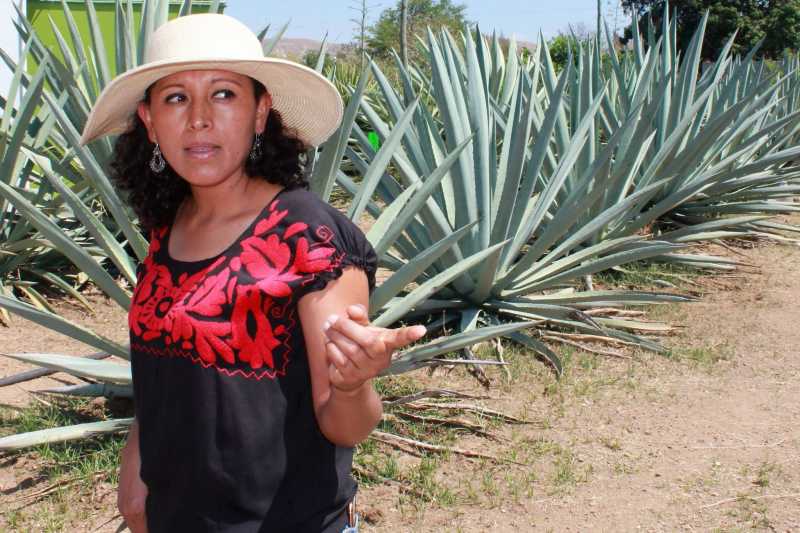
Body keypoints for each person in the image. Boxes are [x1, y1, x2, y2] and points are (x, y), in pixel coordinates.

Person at [80, 13, 426, 533]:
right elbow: (167, 365)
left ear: (261, 112)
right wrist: (136, 463)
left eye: (223, 94)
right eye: (175, 98)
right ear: (150, 120)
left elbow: (344, 425)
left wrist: (353, 385)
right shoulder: (168, 227)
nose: (198, 118)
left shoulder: (308, 235)